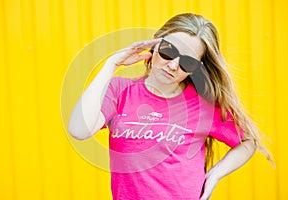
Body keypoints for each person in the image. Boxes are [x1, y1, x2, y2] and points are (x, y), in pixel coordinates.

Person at [68, 13, 272, 200]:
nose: (173, 65)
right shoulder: (121, 91)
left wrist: (214, 175)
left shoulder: (203, 105)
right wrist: (111, 64)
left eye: (187, 62)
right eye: (168, 51)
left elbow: (248, 141)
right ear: (155, 44)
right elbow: (78, 130)